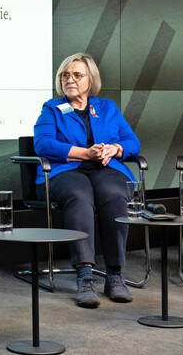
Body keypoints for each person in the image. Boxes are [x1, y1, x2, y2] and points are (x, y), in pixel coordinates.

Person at [33, 53, 140, 308]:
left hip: (104, 169)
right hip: (64, 171)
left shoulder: (107, 108)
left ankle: (114, 274)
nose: (69, 80)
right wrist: (85, 153)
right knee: (80, 195)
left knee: (114, 194)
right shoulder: (52, 108)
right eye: (65, 75)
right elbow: (43, 144)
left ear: (91, 79)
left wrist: (115, 149)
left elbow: (132, 141)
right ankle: (85, 276)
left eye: (77, 75)